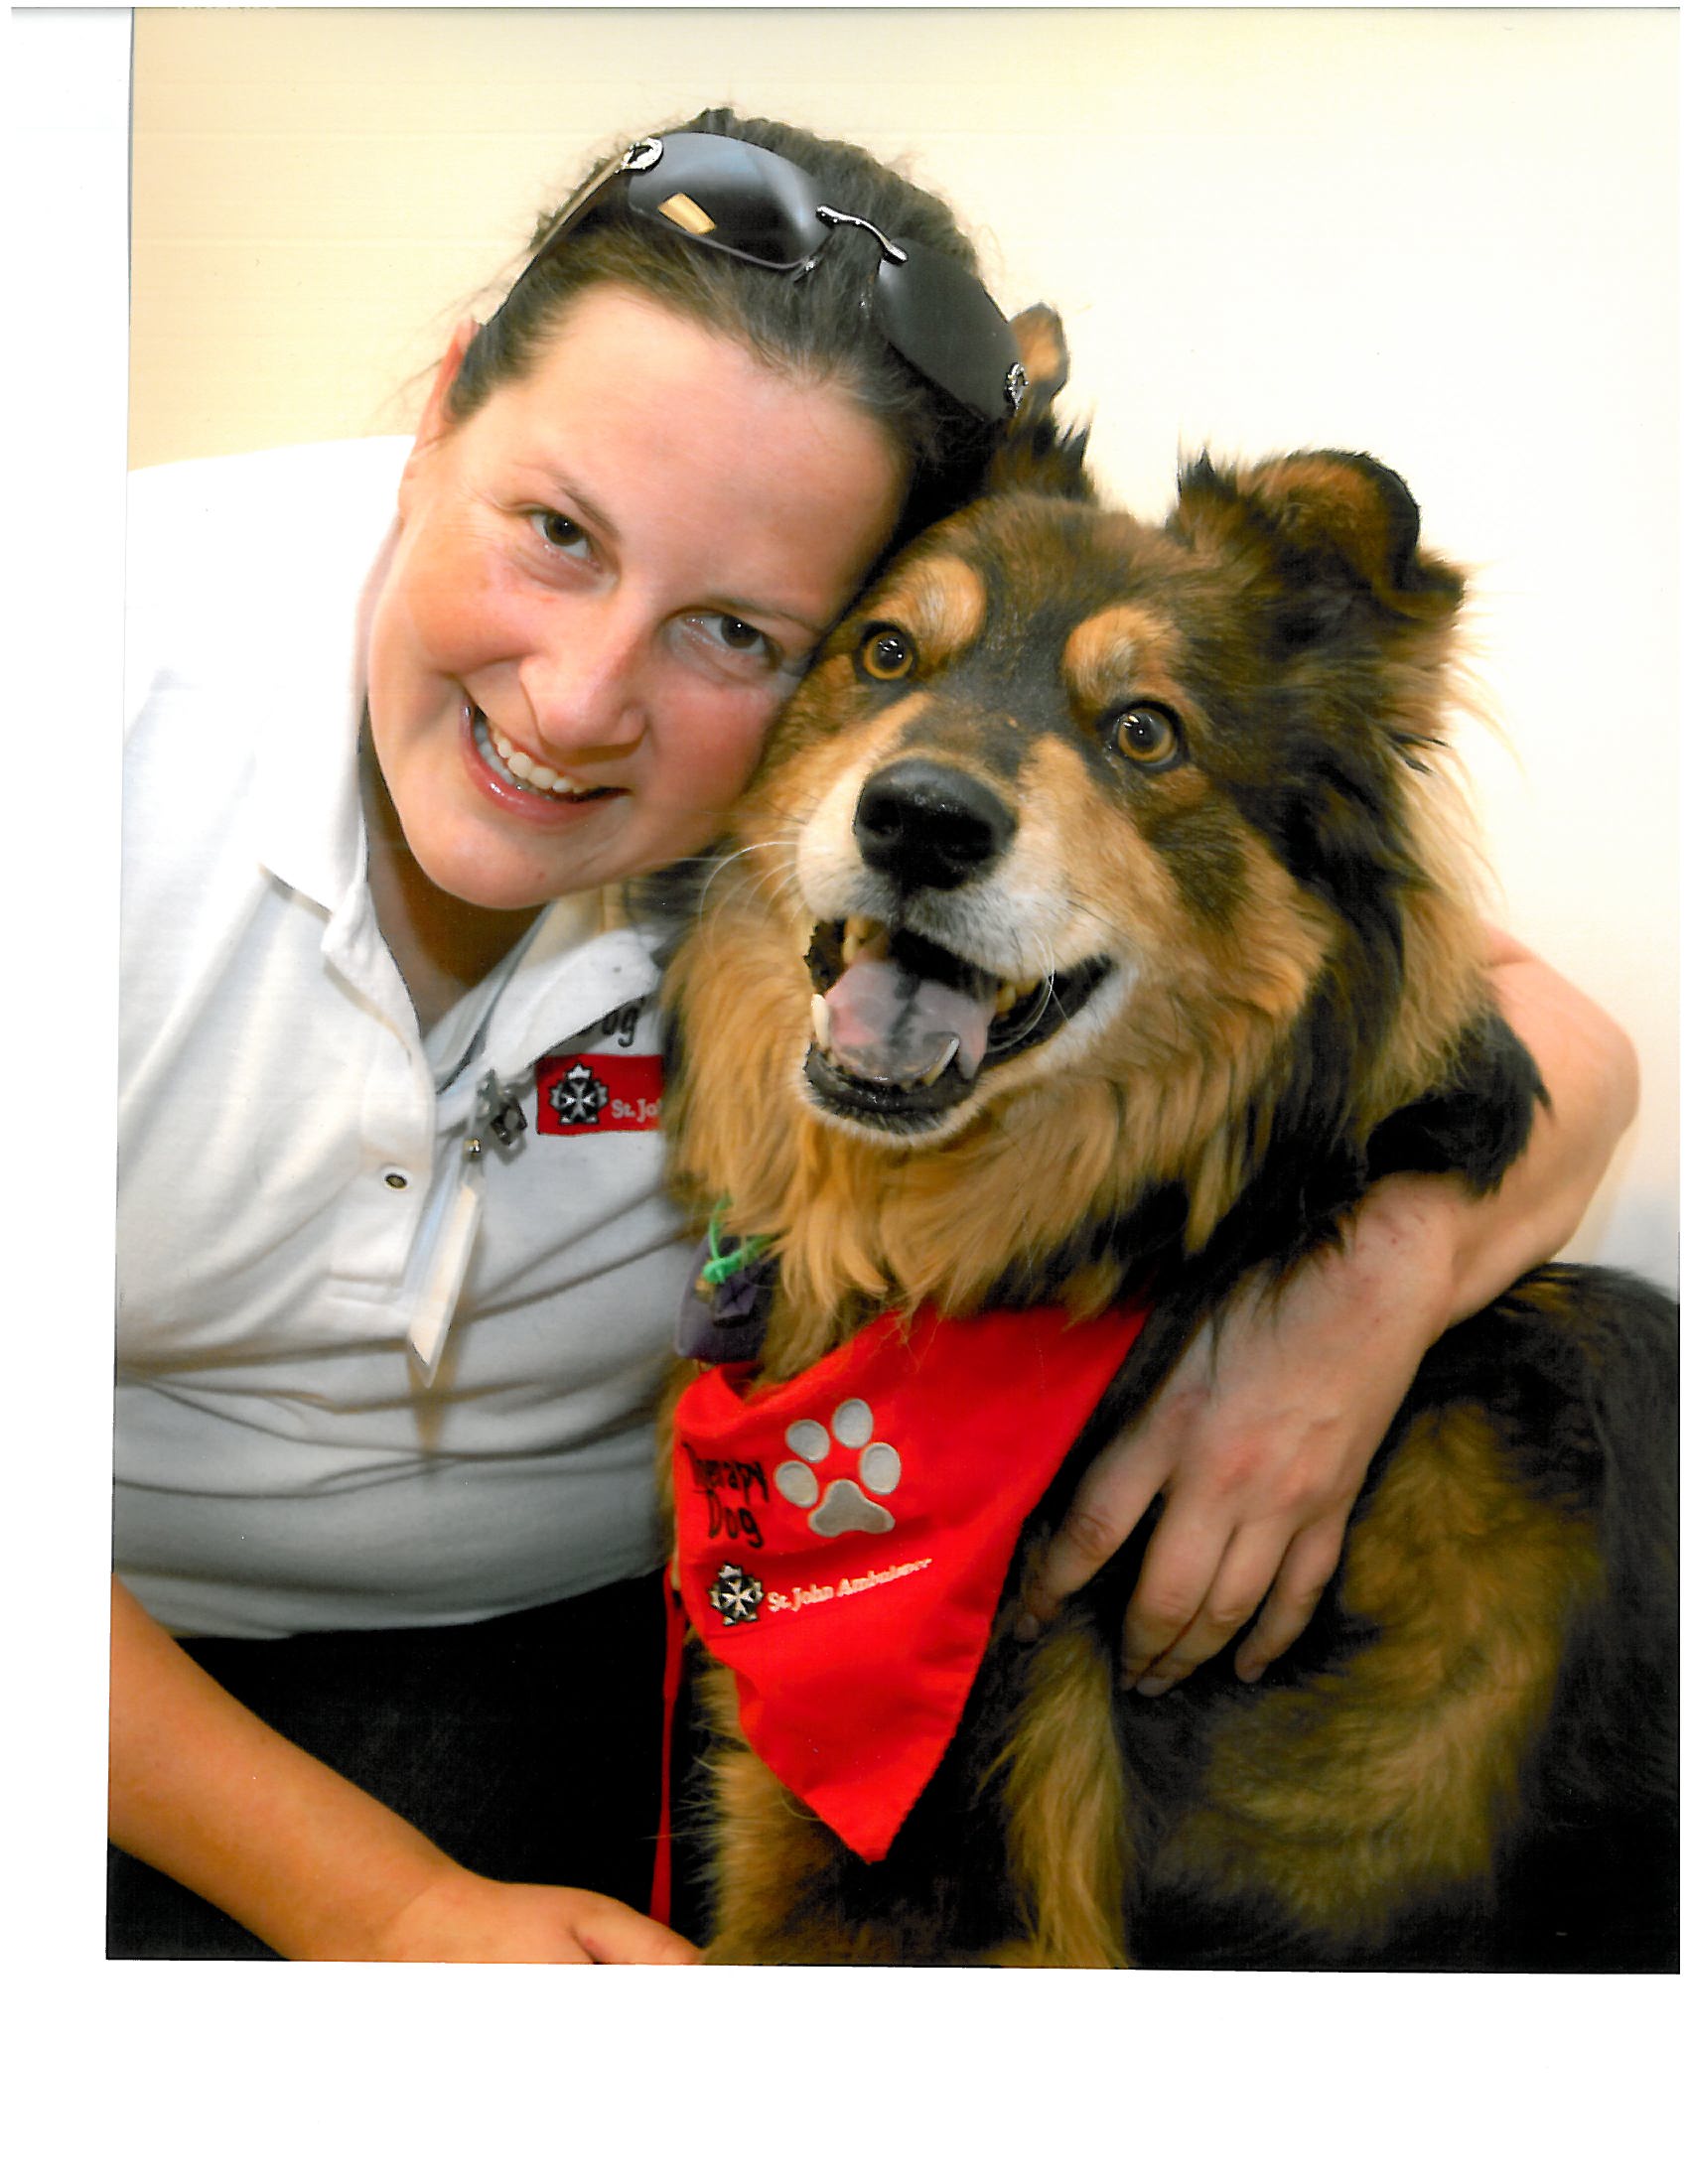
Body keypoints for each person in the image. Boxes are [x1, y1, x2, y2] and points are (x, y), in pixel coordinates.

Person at [110, 109, 1639, 1964]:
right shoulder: (96, 683)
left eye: (739, 628)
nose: (584, 701)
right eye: (558, 532)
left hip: (653, 1619)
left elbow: (1513, 1020)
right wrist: (391, 1910)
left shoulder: (816, 796)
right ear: (441, 411)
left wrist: (1358, 1290)